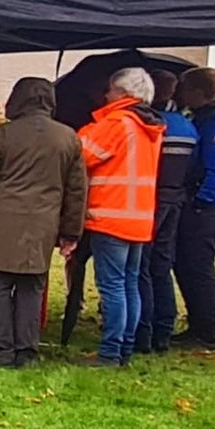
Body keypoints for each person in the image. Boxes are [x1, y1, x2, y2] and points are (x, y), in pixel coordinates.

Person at [0, 78, 87, 368]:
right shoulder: (69, 137)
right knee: (33, 286)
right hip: (44, 223)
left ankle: (0, 349)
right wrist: (71, 231)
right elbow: (77, 190)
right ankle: (27, 350)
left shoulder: (3, 135)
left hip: (2, 220)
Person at [78, 68, 164, 367]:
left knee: (112, 286)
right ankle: (125, 348)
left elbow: (81, 153)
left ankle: (110, 352)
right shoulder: (149, 126)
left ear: (122, 94)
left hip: (111, 216)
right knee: (129, 284)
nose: (105, 95)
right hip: (139, 217)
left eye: (110, 90)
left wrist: (87, 126)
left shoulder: (118, 122)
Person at [173, 67, 215, 351]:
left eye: (185, 89)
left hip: (205, 201)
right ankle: (198, 322)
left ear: (198, 93)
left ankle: (207, 328)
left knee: (198, 264)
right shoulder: (198, 120)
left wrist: (200, 201)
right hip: (197, 197)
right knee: (184, 263)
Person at [138, 70, 196, 354]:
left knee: (141, 267)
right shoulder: (186, 126)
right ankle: (164, 328)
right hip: (175, 199)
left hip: (150, 200)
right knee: (161, 265)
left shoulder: (150, 125)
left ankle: (144, 331)